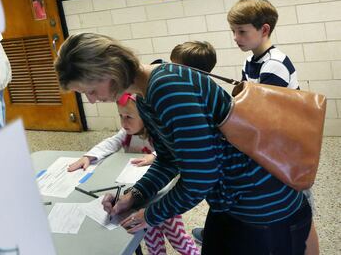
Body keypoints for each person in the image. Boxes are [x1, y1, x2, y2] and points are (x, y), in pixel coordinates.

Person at [55, 33, 312, 255]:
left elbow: (201, 177)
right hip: (230, 201)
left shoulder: (168, 88)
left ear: (108, 71)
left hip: (262, 206)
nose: (90, 100)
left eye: (89, 90)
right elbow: (168, 159)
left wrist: (149, 215)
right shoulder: (145, 94)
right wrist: (136, 195)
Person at [216, 0, 318, 255]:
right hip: (269, 144)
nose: (236, 38)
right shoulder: (251, 61)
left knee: (299, 210)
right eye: (233, 31)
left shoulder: (274, 64)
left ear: (264, 29)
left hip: (287, 149)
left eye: (242, 32)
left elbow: (263, 117)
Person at [68, 93, 198, 255]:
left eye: (129, 116)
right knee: (152, 242)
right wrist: (89, 156)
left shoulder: (159, 132)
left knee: (178, 239)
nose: (124, 123)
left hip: (164, 199)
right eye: (121, 116)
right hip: (138, 199)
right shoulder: (126, 132)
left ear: (145, 116)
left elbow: (172, 152)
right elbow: (111, 142)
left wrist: (155, 155)